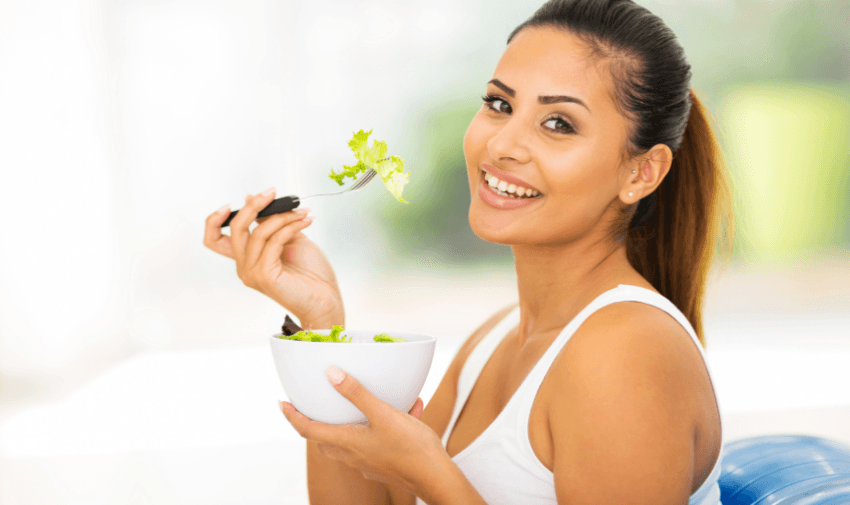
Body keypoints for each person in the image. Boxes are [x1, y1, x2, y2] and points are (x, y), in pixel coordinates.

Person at [204, 0, 734, 503]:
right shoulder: (498, 336)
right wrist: (322, 320)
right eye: (499, 104)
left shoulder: (624, 353)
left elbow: (424, 484)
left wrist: (434, 476)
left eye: (558, 124)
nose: (501, 144)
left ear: (640, 172)